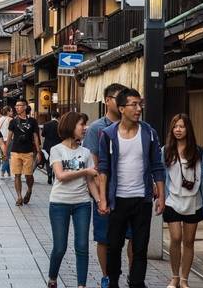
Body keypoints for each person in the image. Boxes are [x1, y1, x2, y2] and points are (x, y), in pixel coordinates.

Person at [97, 88, 166, 288]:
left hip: (142, 199)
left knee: (140, 247)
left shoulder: (148, 132)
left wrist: (161, 196)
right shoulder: (108, 134)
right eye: (133, 105)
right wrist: (103, 198)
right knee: (114, 246)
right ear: (121, 108)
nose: (138, 109)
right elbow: (103, 168)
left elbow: (157, 166)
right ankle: (113, 282)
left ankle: (137, 283)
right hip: (117, 199)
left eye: (140, 104)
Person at [82, 83, 132, 288]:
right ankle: (106, 276)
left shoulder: (135, 125)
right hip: (105, 191)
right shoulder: (97, 128)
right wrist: (100, 196)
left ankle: (132, 274)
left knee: (133, 236)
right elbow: (93, 165)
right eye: (118, 98)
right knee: (104, 238)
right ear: (107, 101)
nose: (122, 102)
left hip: (130, 190)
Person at [163, 114, 203, 288]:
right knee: (176, 237)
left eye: (181, 126)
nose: (178, 130)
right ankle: (174, 277)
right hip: (172, 199)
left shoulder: (198, 151)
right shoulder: (165, 150)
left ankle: (184, 279)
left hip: (193, 201)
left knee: (188, 241)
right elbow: (159, 174)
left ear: (188, 129)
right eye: (175, 126)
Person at [47, 111, 100, 288]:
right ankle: (53, 278)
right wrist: (85, 171)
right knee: (60, 247)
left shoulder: (86, 152)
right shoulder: (56, 150)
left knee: (82, 246)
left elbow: (91, 182)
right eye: (81, 124)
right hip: (59, 203)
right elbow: (60, 176)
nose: (85, 128)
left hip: (82, 204)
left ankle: (81, 285)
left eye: (85, 124)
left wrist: (100, 201)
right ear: (71, 126)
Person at [5, 99, 41, 206]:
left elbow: (35, 137)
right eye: (16, 106)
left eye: (19, 105)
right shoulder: (13, 121)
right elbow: (9, 137)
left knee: (29, 175)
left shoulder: (32, 121)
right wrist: (6, 152)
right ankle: (19, 197)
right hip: (15, 151)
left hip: (28, 152)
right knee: (17, 175)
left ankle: (29, 189)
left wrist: (39, 152)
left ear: (25, 107)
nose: (16, 107)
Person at [41, 110, 62, 185]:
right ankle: (54, 175)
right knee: (56, 161)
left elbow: (43, 134)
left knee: (48, 160)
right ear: (58, 117)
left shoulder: (46, 124)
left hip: (47, 145)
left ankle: (49, 174)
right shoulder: (60, 125)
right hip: (57, 145)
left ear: (51, 116)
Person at [0, 106, 13, 178]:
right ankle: (2, 171)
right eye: (11, 111)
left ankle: (8, 172)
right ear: (8, 112)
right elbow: (12, 131)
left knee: (4, 155)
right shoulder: (10, 119)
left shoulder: (0, 119)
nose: (12, 112)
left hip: (1, 140)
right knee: (6, 156)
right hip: (8, 140)